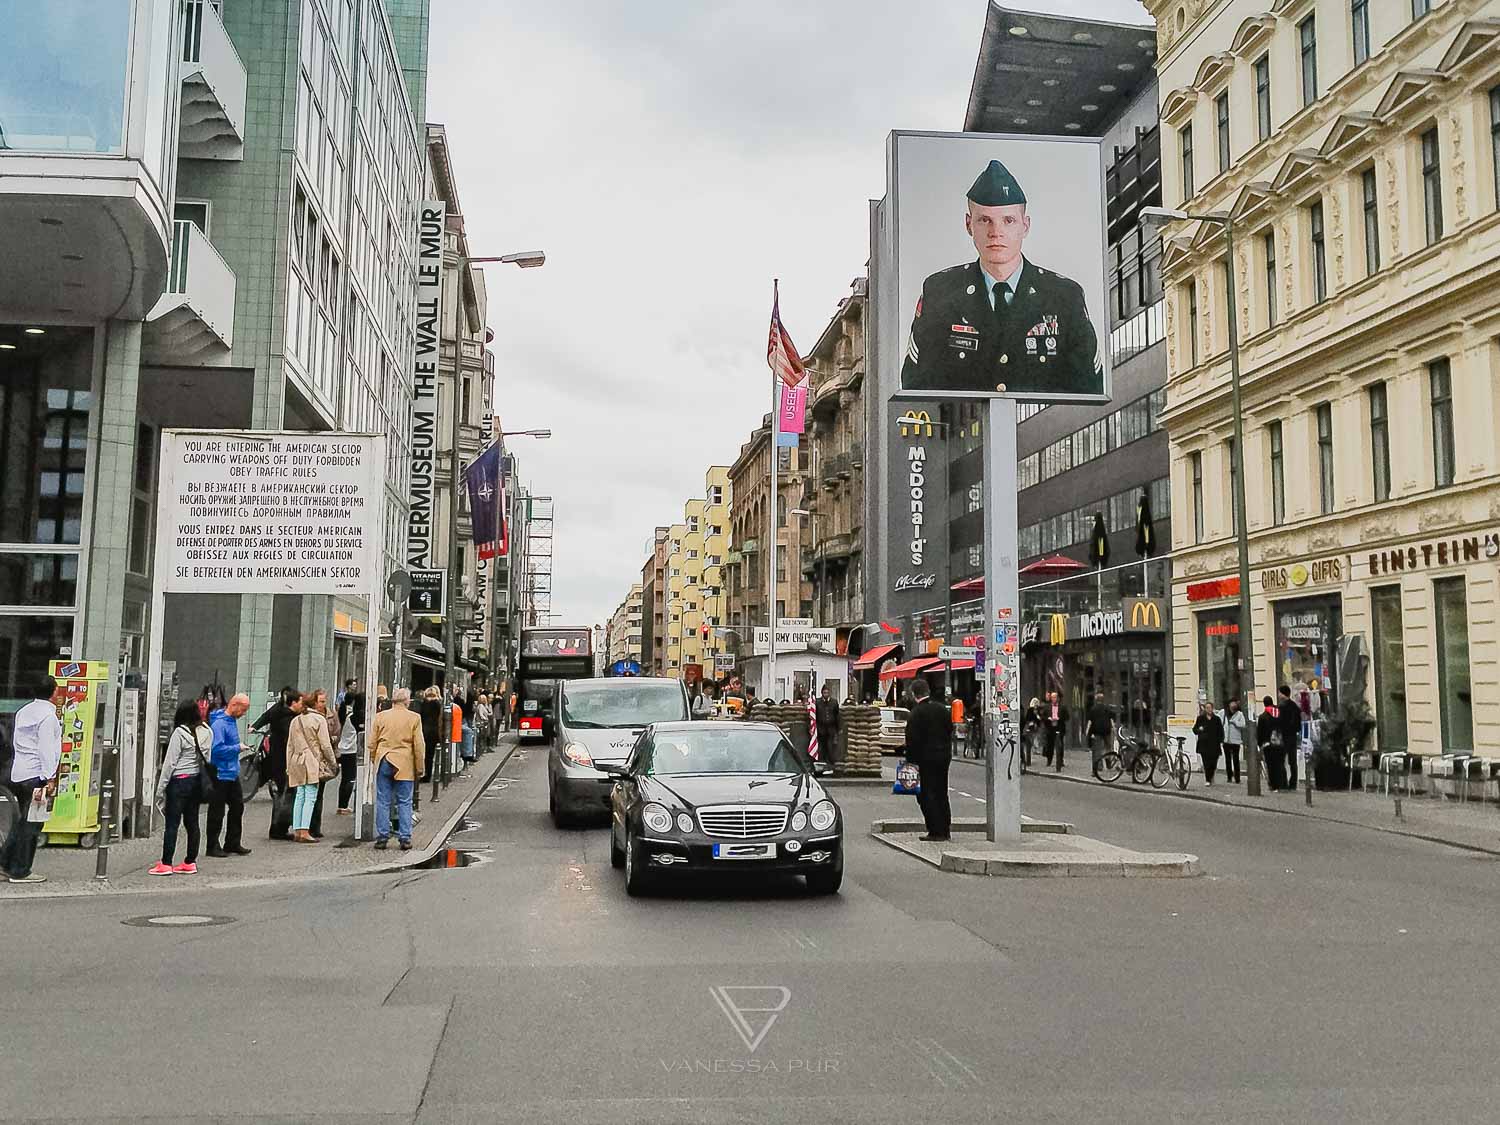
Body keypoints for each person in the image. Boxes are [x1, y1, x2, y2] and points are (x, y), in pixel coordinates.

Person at [900, 159, 1102, 396]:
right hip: (967, 431)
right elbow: (917, 386)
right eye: (985, 220)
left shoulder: (1064, 296)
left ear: (1025, 226)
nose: (996, 232)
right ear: (968, 224)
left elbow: (1089, 390)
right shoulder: (940, 292)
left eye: (1008, 221)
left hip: (1042, 431)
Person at [1, 675, 64, 884]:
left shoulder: (24, 712)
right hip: (37, 776)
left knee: (21, 822)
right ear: (54, 692)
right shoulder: (48, 717)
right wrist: (49, 778)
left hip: (20, 773)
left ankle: (5, 863)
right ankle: (21, 869)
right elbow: (47, 749)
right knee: (33, 823)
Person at [151, 700, 211, 875]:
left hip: (179, 782)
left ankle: (166, 863)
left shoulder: (180, 733)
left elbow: (170, 763)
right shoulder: (207, 731)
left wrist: (160, 788)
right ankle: (190, 862)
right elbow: (207, 757)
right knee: (192, 823)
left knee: (172, 824)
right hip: (196, 781)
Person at [368, 687, 426, 850]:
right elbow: (419, 746)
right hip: (404, 761)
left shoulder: (381, 717)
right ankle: (405, 837)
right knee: (404, 801)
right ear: (407, 701)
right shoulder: (414, 718)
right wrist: (419, 767)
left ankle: (382, 837)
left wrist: (375, 759)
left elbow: (372, 743)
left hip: (384, 758)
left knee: (383, 800)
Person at [902, 677, 953, 841]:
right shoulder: (942, 710)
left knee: (926, 795)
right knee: (942, 793)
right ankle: (945, 829)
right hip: (943, 757)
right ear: (928, 691)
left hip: (924, 760)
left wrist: (909, 763)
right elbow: (949, 730)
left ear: (913, 694)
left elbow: (911, 740)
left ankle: (935, 830)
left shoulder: (916, 714)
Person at [205, 693, 253, 857]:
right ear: (235, 705)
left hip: (231, 772)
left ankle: (232, 842)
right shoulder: (219, 724)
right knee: (217, 811)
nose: (244, 713)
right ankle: (212, 845)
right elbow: (216, 750)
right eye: (244, 709)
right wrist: (237, 748)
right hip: (220, 772)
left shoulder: (229, 721)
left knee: (237, 807)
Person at [284, 691, 333, 844]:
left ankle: (298, 829)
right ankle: (305, 830)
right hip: (312, 760)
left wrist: (288, 766)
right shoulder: (319, 720)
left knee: (300, 795)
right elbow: (325, 745)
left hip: (296, 759)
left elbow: (289, 746)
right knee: (311, 795)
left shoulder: (295, 720)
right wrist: (332, 761)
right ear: (314, 704)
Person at [307, 689, 341, 838]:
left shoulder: (331, 714)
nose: (323, 704)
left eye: (324, 701)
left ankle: (315, 826)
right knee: (309, 793)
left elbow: (337, 732)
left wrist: (331, 739)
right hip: (312, 757)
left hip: (325, 759)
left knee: (319, 793)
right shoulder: (308, 716)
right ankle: (305, 826)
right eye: (320, 701)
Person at [335, 686, 364, 815]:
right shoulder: (359, 717)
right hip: (350, 750)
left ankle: (342, 805)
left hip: (343, 748)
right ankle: (343, 806)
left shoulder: (350, 715)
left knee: (345, 779)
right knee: (350, 778)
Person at [1257, 695, 1288, 791]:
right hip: (1281, 744)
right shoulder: (1281, 713)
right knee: (1281, 764)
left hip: (1268, 745)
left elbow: (1260, 733)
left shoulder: (1263, 716)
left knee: (1271, 766)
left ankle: (1274, 785)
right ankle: (1283, 784)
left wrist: (1260, 744)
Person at [1192, 700, 1225, 786]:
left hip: (1215, 744)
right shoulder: (1200, 718)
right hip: (1204, 744)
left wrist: (1221, 740)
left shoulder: (1216, 719)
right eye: (1207, 708)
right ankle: (1208, 779)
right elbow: (1194, 730)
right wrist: (1199, 730)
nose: (1209, 709)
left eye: (1210, 708)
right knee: (1206, 762)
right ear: (1205, 709)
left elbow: (1221, 731)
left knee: (1213, 763)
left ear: (1212, 709)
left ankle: (1211, 775)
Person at [1278, 685, 1303, 788]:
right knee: (1292, 761)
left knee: (1281, 760)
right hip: (1292, 736)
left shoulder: (1281, 707)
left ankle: (1283, 782)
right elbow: (1298, 724)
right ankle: (1293, 783)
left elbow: (1279, 722)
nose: (1278, 695)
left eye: (1279, 693)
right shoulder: (1295, 707)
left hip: (1284, 736)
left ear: (1283, 694)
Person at [418, 686, 442, 782]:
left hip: (424, 730)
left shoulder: (424, 704)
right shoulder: (438, 704)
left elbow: (421, 716)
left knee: (424, 753)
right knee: (430, 755)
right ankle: (429, 774)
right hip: (434, 731)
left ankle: (424, 773)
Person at [1084, 691, 1113, 771]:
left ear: (1096, 700)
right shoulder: (1107, 708)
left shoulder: (1093, 709)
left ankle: (1099, 766)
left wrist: (1087, 731)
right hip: (1107, 730)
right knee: (1108, 747)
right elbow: (1111, 720)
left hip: (1097, 731)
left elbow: (1090, 721)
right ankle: (1108, 761)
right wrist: (1113, 728)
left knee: (1098, 749)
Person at [1222, 698, 1247, 784]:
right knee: (1228, 760)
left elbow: (1243, 725)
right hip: (1226, 740)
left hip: (1236, 740)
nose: (1233, 705)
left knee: (1236, 760)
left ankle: (1237, 778)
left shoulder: (1239, 714)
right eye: (1231, 704)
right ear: (1229, 705)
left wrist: (1235, 722)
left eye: (1234, 704)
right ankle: (1229, 777)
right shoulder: (1224, 713)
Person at [815, 684, 841, 766]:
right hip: (821, 729)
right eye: (824, 692)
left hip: (831, 729)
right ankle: (821, 765)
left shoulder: (834, 702)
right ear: (822, 693)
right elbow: (815, 716)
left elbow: (837, 715)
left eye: (827, 692)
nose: (825, 694)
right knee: (821, 748)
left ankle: (830, 765)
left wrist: (838, 729)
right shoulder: (817, 702)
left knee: (830, 747)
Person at [1045, 690, 1069, 770]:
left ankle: (1060, 761)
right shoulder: (1047, 707)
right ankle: (1049, 760)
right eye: (1052, 697)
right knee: (1050, 745)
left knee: (1060, 745)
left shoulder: (1063, 707)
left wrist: (1060, 719)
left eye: (1055, 697)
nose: (1054, 699)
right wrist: (1048, 719)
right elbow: (1043, 717)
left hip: (1059, 727)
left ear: (1058, 698)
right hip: (1050, 727)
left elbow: (1067, 717)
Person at [1021, 698, 1046, 769]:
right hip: (1030, 728)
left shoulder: (1038, 710)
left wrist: (1038, 718)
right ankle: (1029, 759)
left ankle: (1035, 749)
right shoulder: (1030, 710)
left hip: (1036, 728)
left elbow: (1040, 718)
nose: (1036, 705)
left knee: (1035, 738)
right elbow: (1027, 719)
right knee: (1030, 742)